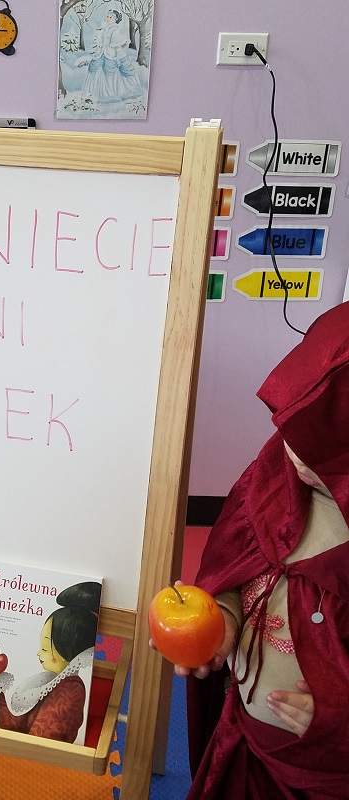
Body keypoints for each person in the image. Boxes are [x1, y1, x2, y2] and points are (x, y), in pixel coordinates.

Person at [169, 301, 349, 799]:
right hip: (246, 742)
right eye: (291, 431)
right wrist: (221, 621)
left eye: (324, 449)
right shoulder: (274, 477)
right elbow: (235, 567)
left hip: (325, 777)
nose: (297, 454)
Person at [0, 581, 101, 743]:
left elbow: (40, 741)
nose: (39, 653)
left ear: (66, 649)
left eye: (45, 648)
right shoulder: (50, 681)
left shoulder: (70, 692)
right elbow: (15, 726)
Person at [81, 9, 142, 104]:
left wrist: (119, 55)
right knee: (95, 70)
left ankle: (110, 94)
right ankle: (92, 93)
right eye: (107, 16)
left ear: (115, 20)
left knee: (110, 73)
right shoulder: (102, 28)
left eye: (110, 17)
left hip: (111, 55)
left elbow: (116, 45)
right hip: (100, 54)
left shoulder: (114, 30)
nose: (108, 18)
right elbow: (99, 40)